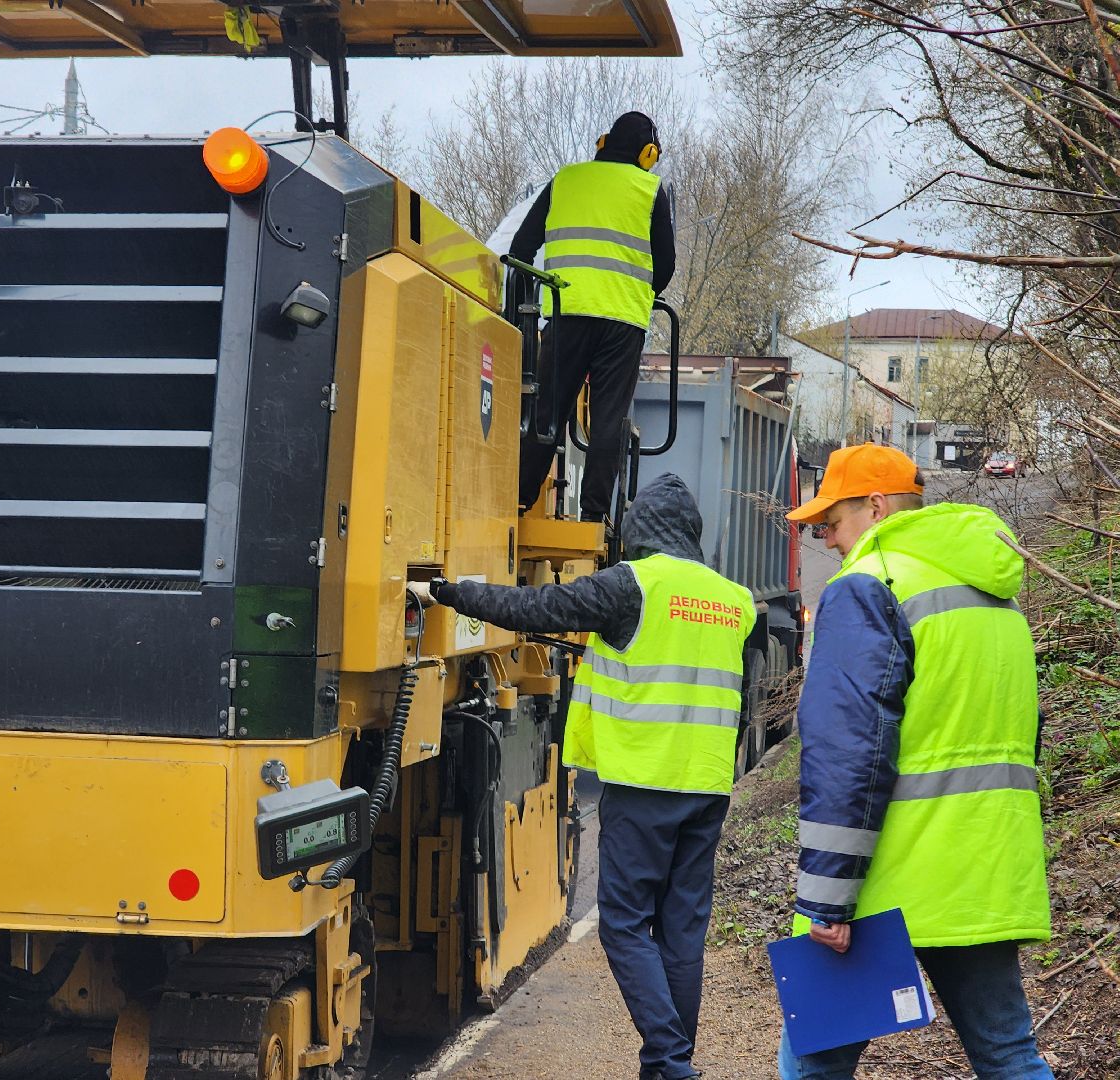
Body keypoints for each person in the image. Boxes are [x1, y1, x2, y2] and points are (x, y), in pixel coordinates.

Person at [416, 474, 754, 1080]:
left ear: (641, 532)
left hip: (645, 782)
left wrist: (451, 593)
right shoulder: (735, 599)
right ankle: (669, 1065)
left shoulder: (632, 587)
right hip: (707, 787)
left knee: (623, 923)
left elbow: (533, 609)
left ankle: (673, 1063)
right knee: (681, 931)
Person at [781, 444, 1052, 1079]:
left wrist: (827, 896)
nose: (829, 541)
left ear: (874, 507)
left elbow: (847, 754)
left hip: (891, 879)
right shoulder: (996, 596)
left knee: (813, 1062)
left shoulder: (869, 587)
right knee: (1010, 1056)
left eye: (832, 524)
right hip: (985, 870)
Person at [508, 111, 677, 521]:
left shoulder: (566, 179)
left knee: (546, 414)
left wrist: (523, 314)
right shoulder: (650, 189)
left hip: (566, 312)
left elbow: (521, 248)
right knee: (608, 419)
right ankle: (592, 514)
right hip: (622, 322)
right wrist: (637, 294)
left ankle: (518, 499)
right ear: (648, 153)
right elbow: (666, 264)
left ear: (603, 144)